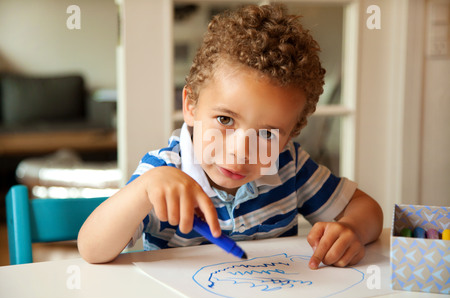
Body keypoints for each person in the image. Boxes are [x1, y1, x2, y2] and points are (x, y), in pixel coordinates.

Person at [78, 4, 383, 268]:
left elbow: (367, 209)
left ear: (291, 134)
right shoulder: (162, 172)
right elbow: (91, 249)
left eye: (266, 134)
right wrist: (144, 190)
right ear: (191, 106)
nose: (241, 151)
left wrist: (351, 229)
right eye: (225, 119)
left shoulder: (289, 164)